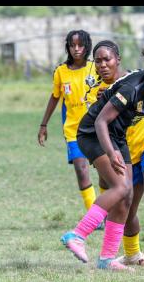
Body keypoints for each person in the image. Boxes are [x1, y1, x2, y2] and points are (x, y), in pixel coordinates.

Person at [60, 43, 144, 272]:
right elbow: (100, 122)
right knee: (120, 188)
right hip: (93, 134)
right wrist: (111, 153)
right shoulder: (131, 88)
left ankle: (107, 259)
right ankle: (77, 235)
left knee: (126, 196)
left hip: (117, 137)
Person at [38, 30, 104, 228]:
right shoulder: (61, 71)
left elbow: (109, 88)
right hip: (74, 131)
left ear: (87, 47)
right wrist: (43, 124)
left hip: (98, 128)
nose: (76, 49)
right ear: (67, 47)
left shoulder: (96, 67)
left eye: (80, 45)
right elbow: (55, 97)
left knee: (104, 173)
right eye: (72, 45)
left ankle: (106, 210)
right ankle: (96, 217)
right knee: (81, 169)